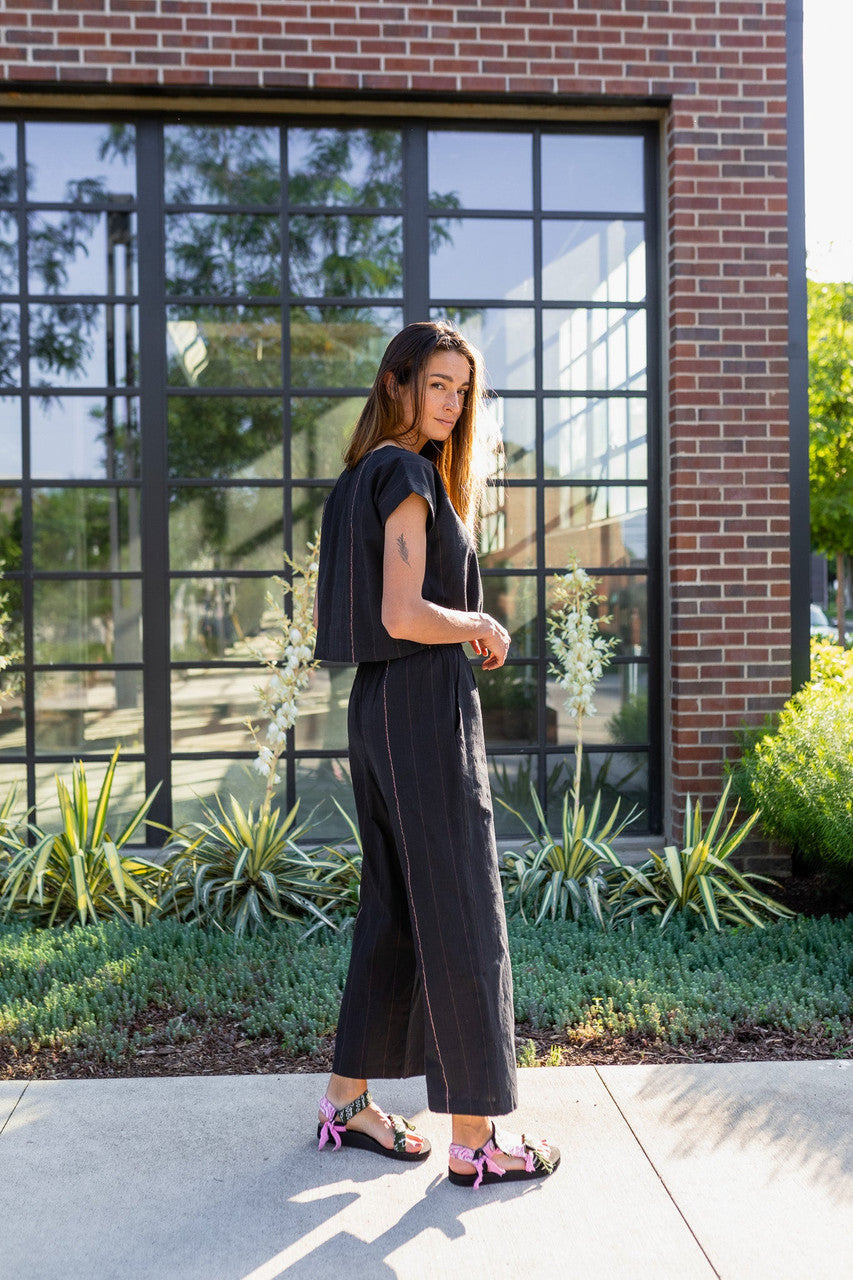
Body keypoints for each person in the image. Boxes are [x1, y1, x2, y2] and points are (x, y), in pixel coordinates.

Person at [312, 320, 559, 1190]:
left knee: (395, 910)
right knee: (461, 911)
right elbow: (404, 613)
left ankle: (346, 1102)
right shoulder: (408, 473)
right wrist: (481, 624)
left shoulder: (357, 479)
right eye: (437, 385)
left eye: (461, 389)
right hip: (420, 707)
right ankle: (478, 1141)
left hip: (377, 710)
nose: (450, 404)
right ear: (396, 385)